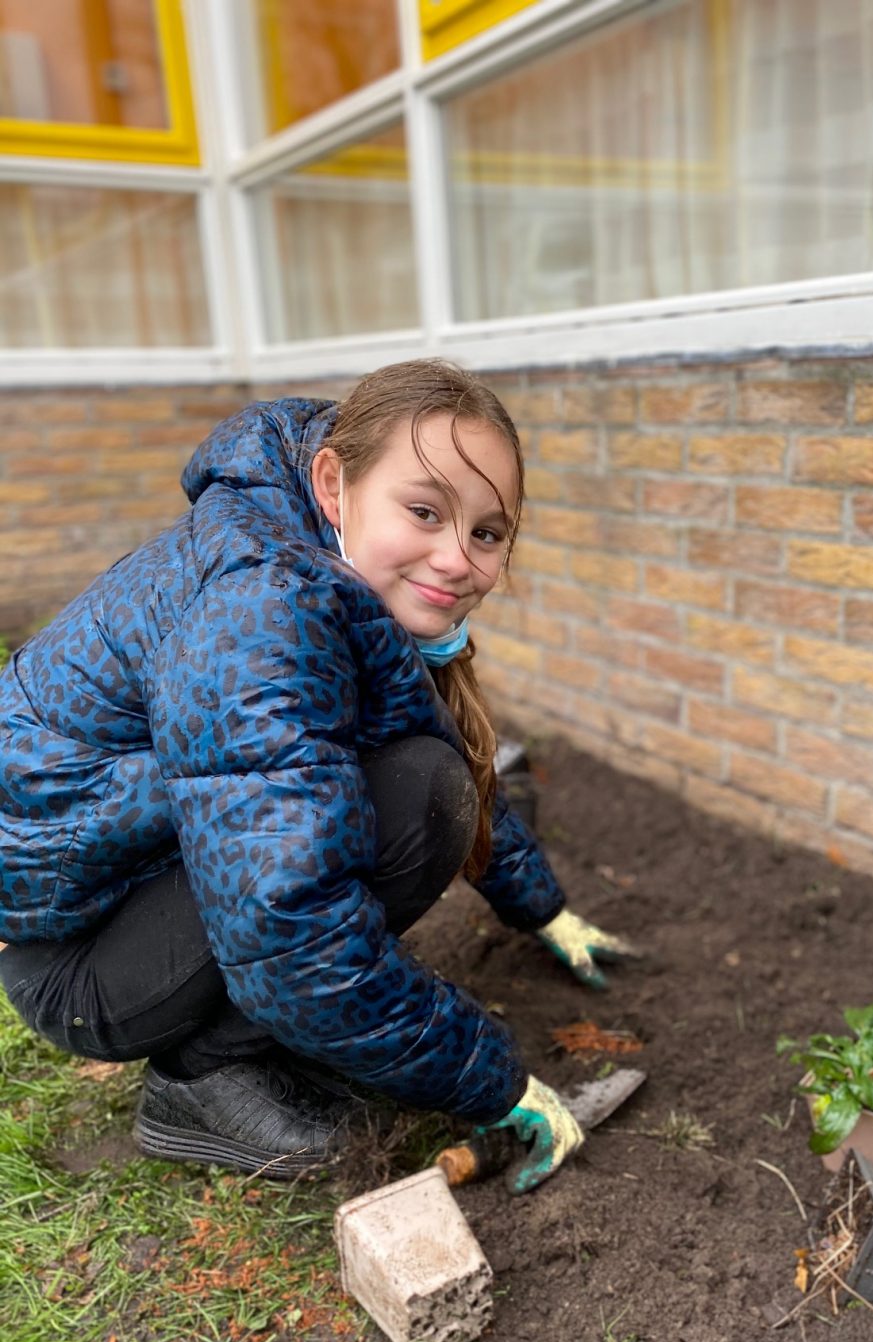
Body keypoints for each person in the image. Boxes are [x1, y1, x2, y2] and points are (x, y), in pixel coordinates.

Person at [0, 360, 636, 1193]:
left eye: (485, 532)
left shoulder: (315, 562)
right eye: (424, 511)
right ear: (334, 483)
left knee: (418, 782)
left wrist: (542, 907)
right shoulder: (264, 608)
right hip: (74, 961)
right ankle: (199, 1080)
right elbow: (289, 931)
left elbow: (420, 737)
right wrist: (493, 1079)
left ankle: (260, 1042)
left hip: (134, 884)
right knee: (416, 798)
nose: (455, 557)